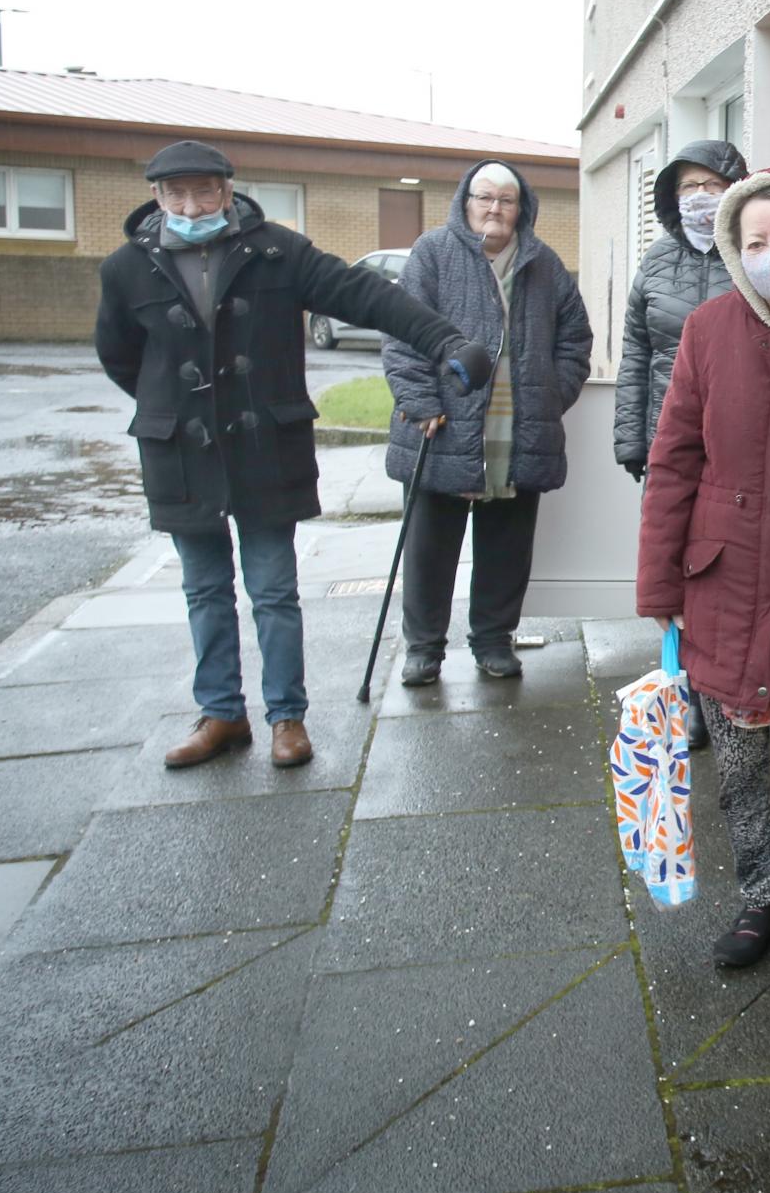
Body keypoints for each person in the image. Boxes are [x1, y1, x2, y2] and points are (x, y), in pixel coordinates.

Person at [95, 139, 491, 770]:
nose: (191, 204)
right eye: (177, 193)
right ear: (157, 198)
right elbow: (120, 358)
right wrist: (172, 410)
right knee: (204, 590)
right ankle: (221, 713)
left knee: (273, 590)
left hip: (262, 449)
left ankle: (287, 718)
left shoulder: (277, 252)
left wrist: (444, 338)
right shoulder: (125, 269)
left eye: (204, 191)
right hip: (183, 457)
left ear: (228, 190)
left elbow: (368, 295)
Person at [638, 163, 770, 974]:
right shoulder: (709, 328)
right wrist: (660, 588)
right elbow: (673, 462)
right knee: (736, 763)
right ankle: (755, 896)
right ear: (732, 248)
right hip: (721, 582)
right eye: (754, 240)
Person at [383, 160, 592, 684]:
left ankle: (493, 640)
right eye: (484, 197)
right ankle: (425, 648)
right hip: (444, 425)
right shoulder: (432, 254)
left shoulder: (545, 265)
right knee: (430, 547)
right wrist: (420, 400)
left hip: (516, 431)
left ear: (522, 207)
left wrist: (550, 394)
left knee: (506, 545)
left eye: (506, 199)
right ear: (465, 201)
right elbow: (401, 334)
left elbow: (575, 342)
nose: (494, 208)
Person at [615, 139, 746, 483]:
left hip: (739, 434)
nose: (699, 193)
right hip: (667, 434)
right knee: (663, 531)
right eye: (689, 185)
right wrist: (630, 439)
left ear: (735, 189)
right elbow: (635, 353)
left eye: (712, 184)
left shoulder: (753, 254)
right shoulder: (656, 260)